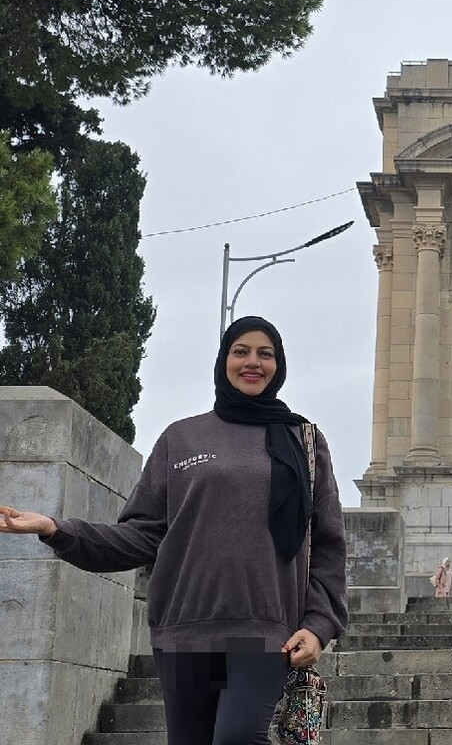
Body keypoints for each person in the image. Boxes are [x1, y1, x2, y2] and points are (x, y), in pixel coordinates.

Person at [0, 316, 349, 745]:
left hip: (267, 631)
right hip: (184, 629)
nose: (252, 362)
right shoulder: (181, 438)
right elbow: (141, 535)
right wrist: (56, 528)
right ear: (224, 360)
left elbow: (329, 545)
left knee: (237, 737)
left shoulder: (304, 440)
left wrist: (319, 625)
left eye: (266, 353)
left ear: (280, 364)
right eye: (241, 351)